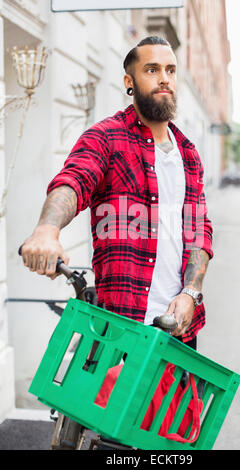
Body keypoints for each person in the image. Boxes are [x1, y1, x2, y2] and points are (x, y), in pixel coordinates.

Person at [20, 36, 213, 350]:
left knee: (178, 402)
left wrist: (191, 292)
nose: (164, 78)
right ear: (130, 81)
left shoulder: (189, 154)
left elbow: (199, 230)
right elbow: (75, 179)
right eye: (151, 69)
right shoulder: (106, 137)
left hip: (178, 329)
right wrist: (46, 230)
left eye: (170, 70)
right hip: (120, 327)